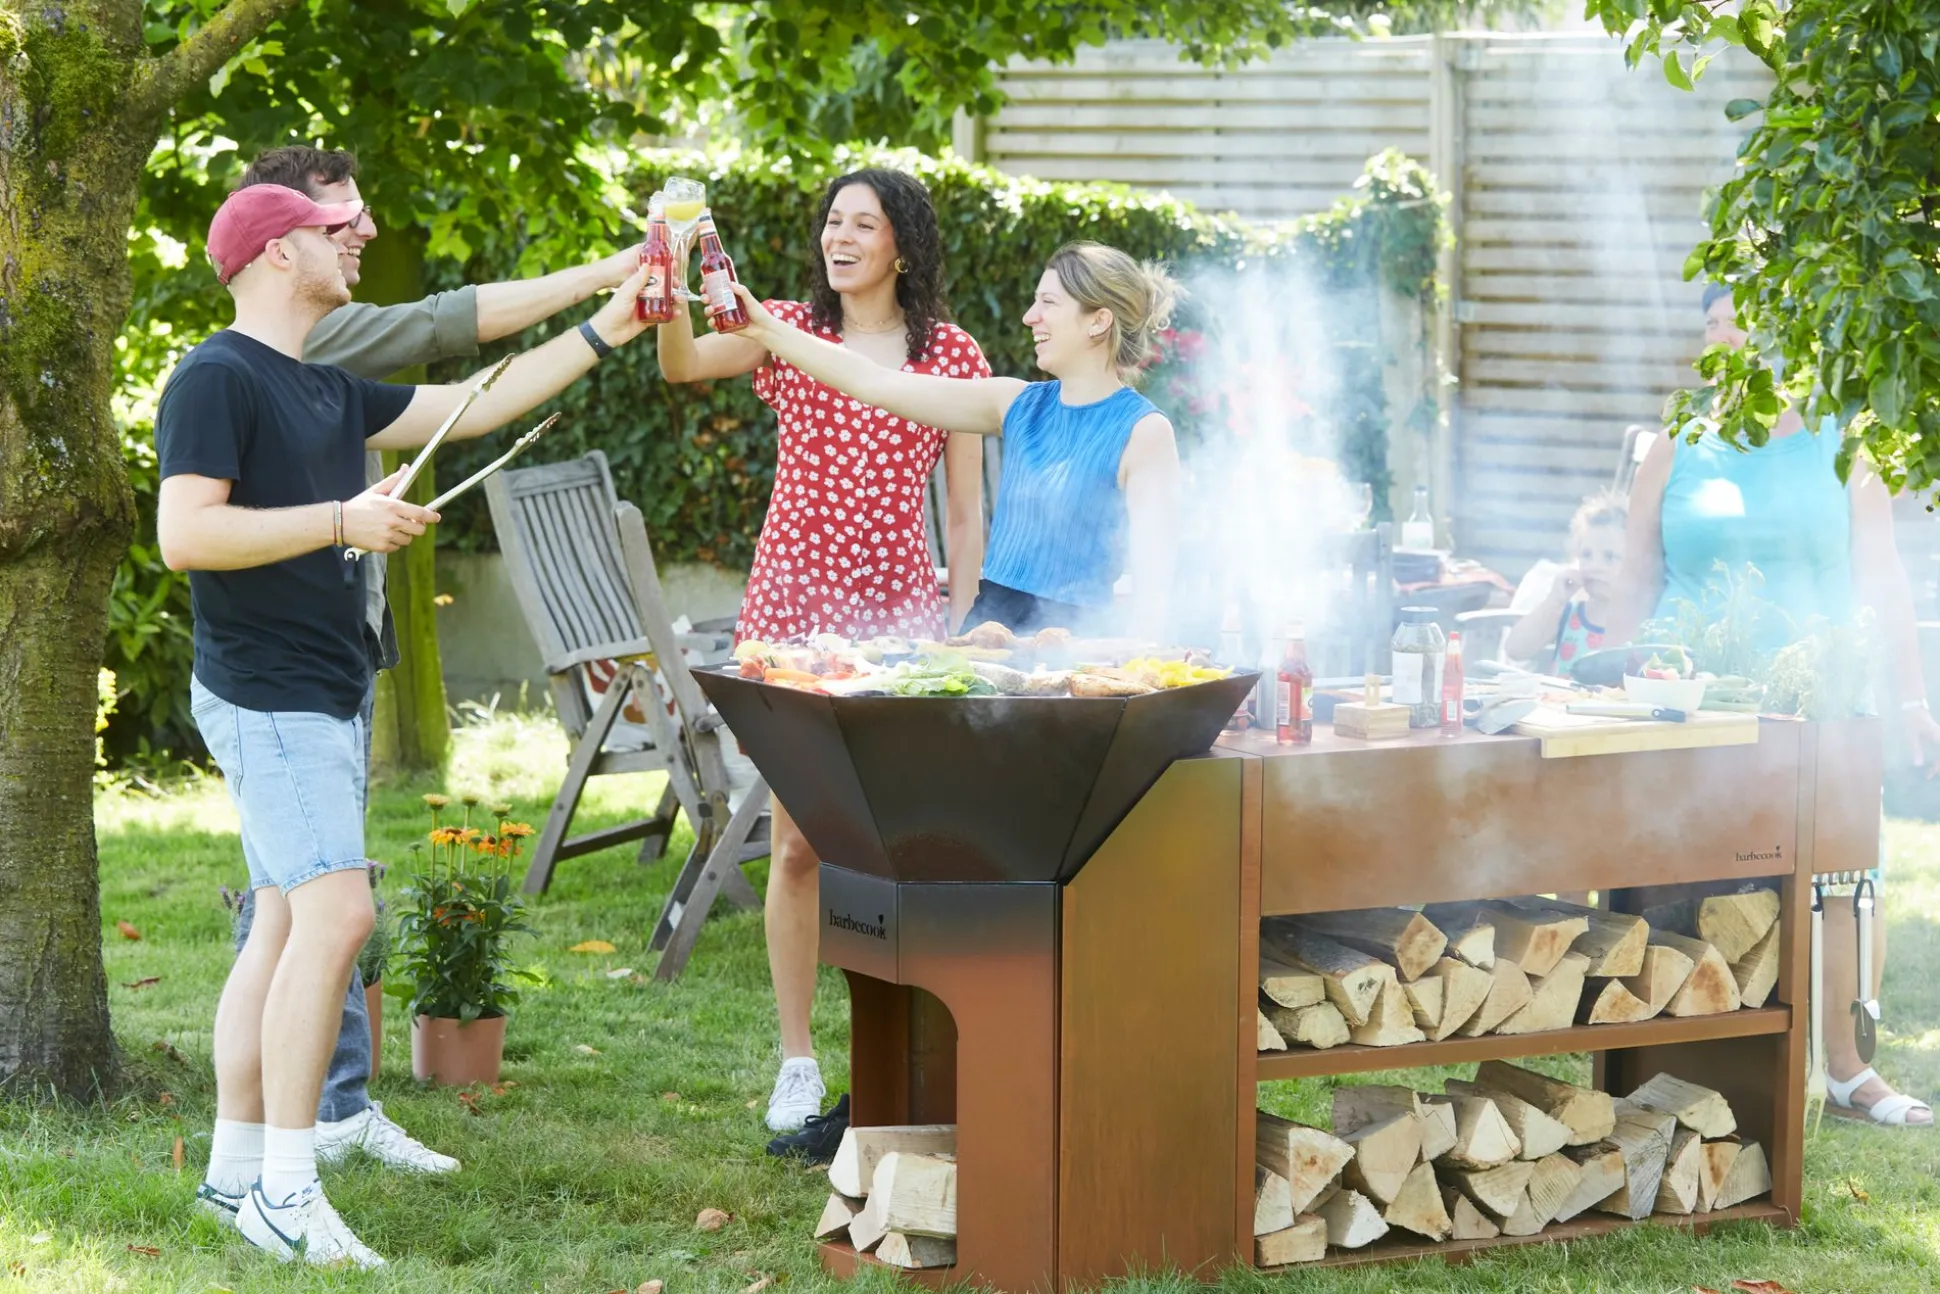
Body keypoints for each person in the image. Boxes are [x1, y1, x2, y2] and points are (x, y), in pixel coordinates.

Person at [159, 182, 657, 1266]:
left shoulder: (327, 385)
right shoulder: (215, 374)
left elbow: (477, 403)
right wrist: (343, 519)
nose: (354, 242)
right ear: (277, 255)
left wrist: (609, 325)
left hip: (321, 688)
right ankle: (290, 1192)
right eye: (329, 232)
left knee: (289, 926)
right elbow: (185, 533)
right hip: (268, 690)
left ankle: (234, 1174)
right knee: (336, 920)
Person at [656, 168, 991, 1146]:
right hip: (792, 617)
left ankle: (899, 1060)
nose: (841, 236)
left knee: (897, 851)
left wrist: (962, 627)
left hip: (900, 627)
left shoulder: (950, 353)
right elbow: (680, 366)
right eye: (832, 221)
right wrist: (671, 278)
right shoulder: (788, 328)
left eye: (864, 223)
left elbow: (964, 511)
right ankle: (798, 1060)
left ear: (903, 245)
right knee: (800, 842)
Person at [1607, 282, 1938, 1127]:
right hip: (1695, 702)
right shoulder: (1677, 442)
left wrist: (1909, 695)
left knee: (1838, 879)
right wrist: (1610, 678)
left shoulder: (1844, 439)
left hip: (1822, 698)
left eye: (1740, 321)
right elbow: (1636, 568)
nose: (1722, 336)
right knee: (1689, 878)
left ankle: (1849, 1069)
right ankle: (1690, 1059)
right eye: (1710, 322)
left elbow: (1884, 574)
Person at [720, 239, 1182, 642]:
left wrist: (1137, 670)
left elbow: (1156, 583)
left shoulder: (1144, 433)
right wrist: (765, 328)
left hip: (1078, 643)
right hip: (988, 634)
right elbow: (875, 383)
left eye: (1049, 303)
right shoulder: (1015, 404)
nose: (1029, 316)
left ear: (1097, 320)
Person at [1503, 490, 1627, 672]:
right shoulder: (1570, 613)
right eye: (1586, 555)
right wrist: (1554, 601)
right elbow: (1515, 650)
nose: (1594, 566)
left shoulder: (1641, 619)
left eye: (1609, 557)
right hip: (1561, 700)